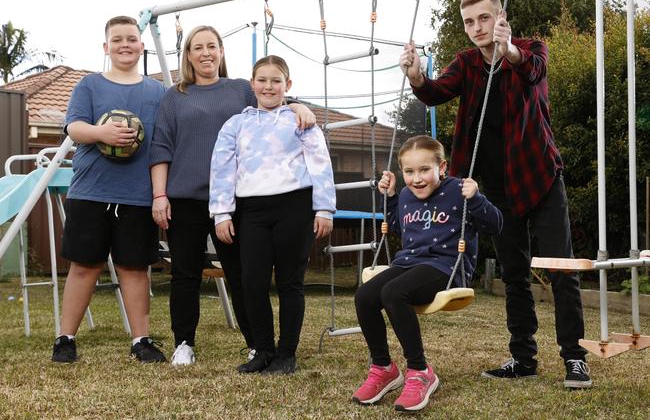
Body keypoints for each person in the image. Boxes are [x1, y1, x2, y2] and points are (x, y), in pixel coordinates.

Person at [399, 0, 592, 389]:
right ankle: (523, 359)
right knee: (514, 273)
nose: (476, 28)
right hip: (498, 188)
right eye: (469, 22)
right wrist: (416, 74)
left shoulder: (529, 49)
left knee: (560, 270)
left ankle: (574, 357)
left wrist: (510, 53)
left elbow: (532, 70)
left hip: (539, 178)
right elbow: (435, 93)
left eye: (483, 19)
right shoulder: (467, 64)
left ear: (500, 16)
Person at [150, 29, 316, 366]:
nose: (206, 53)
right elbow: (161, 148)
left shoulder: (240, 88)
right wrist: (159, 196)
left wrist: (298, 104)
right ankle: (184, 342)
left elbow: (272, 106)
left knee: (242, 274)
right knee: (185, 273)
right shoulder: (174, 97)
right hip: (185, 199)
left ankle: (258, 344)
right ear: (188, 54)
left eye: (212, 46)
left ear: (222, 51)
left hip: (233, 202)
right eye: (198, 47)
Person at [352, 135, 502, 412]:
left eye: (424, 170)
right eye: (409, 172)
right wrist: (392, 197)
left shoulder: (459, 190)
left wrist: (478, 198)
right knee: (365, 296)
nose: (416, 179)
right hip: (408, 263)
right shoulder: (407, 195)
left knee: (393, 293)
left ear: (442, 167)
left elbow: (496, 225)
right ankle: (383, 367)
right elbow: (399, 227)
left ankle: (420, 371)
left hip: (446, 267)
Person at [210, 55, 336, 375]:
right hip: (251, 211)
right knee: (252, 282)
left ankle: (286, 354)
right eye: (262, 80)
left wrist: (324, 208)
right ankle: (263, 350)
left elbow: (319, 163)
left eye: (276, 80)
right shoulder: (235, 125)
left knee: (289, 283)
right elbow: (222, 169)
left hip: (294, 207)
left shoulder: (301, 120)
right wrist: (221, 213)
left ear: (287, 85)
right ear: (252, 84)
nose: (268, 86)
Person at [52, 15, 166, 364]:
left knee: (134, 268)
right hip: (91, 192)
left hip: (137, 195)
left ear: (141, 45)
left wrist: (160, 193)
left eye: (131, 38)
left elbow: (161, 146)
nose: (125, 45)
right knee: (84, 266)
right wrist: (102, 134)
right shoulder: (89, 85)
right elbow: (74, 128)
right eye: (117, 40)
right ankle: (65, 339)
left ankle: (141, 340)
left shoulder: (157, 91)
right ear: (106, 47)